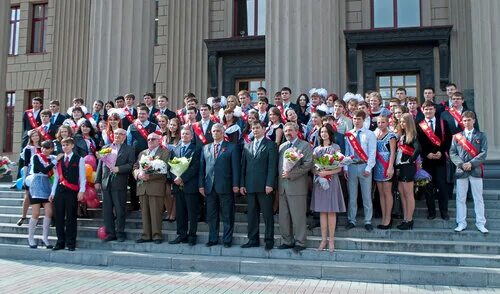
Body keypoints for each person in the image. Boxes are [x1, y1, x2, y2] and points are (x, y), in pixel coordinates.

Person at [199, 123, 240, 248]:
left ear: (223, 132)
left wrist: (235, 184)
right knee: (212, 215)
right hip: (210, 187)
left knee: (227, 214)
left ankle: (227, 240)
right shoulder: (205, 148)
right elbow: (202, 168)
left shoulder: (232, 147)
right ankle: (213, 238)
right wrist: (201, 185)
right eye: (214, 131)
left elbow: (235, 168)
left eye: (218, 131)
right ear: (211, 133)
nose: (216, 133)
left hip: (226, 186)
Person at [240, 122, 278, 251]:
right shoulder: (247, 146)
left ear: (264, 129)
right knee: (251, 214)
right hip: (250, 186)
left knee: (267, 214)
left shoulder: (271, 145)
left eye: (257, 128)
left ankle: (269, 240)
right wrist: (242, 184)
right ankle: (253, 239)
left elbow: (272, 167)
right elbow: (243, 167)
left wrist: (270, 184)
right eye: (253, 128)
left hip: (264, 186)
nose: (255, 130)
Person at [449, 111, 488, 233]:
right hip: (462, 171)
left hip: (475, 170)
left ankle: (481, 223)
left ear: (474, 120)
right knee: (461, 198)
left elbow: (483, 153)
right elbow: (452, 153)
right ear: (462, 121)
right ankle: (461, 223)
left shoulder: (481, 135)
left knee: (478, 198)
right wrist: (462, 164)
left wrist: (471, 163)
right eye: (464, 120)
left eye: (469, 120)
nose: (467, 122)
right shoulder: (456, 136)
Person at [277, 122, 313, 252]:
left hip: (297, 187)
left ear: (296, 131)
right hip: (282, 188)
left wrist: (291, 174)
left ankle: (300, 242)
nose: (287, 133)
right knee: (284, 217)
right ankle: (287, 241)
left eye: (290, 130)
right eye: (286, 131)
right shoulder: (282, 146)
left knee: (298, 217)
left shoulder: (305, 146)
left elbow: (308, 165)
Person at [95, 128, 135, 242]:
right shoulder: (105, 148)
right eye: (116, 133)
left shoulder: (129, 149)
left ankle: (120, 233)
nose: (117, 136)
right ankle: (110, 233)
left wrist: (119, 168)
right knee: (107, 211)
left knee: (120, 209)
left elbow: (131, 164)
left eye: (120, 134)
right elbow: (100, 166)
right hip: (105, 183)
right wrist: (97, 180)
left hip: (119, 183)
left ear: (125, 136)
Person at [311, 124, 345, 252]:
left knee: (331, 211)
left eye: (326, 132)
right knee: (322, 211)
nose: (323, 134)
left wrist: (327, 173)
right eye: (322, 132)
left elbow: (339, 167)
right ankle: (323, 239)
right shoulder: (316, 149)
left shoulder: (335, 148)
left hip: (331, 181)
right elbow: (313, 167)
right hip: (320, 182)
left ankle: (331, 240)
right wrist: (318, 172)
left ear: (330, 133)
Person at [417, 101, 452, 220]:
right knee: (428, 187)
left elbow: (448, 140)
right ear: (422, 110)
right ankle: (431, 211)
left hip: (440, 160)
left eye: (430, 109)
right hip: (426, 161)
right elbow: (418, 143)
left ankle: (444, 212)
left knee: (442, 187)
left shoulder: (443, 123)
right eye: (426, 109)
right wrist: (427, 154)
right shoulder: (419, 125)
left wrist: (441, 152)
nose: (428, 111)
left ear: (435, 110)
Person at [133, 133, 170, 244]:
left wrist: (149, 176)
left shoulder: (165, 152)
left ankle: (156, 235)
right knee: (144, 213)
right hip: (142, 186)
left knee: (155, 213)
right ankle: (146, 235)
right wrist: (138, 174)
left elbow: (165, 168)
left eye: (153, 139)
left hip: (156, 186)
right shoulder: (142, 153)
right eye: (148, 139)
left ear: (159, 141)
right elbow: (135, 167)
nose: (150, 141)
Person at [51, 137, 86, 251]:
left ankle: (71, 243)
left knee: (71, 217)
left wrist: (82, 191)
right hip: (60, 191)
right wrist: (52, 192)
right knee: (59, 218)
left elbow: (82, 177)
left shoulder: (79, 159)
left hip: (72, 191)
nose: (65, 147)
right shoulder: (59, 160)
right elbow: (56, 177)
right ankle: (60, 242)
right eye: (63, 145)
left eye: (67, 145)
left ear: (72, 146)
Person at [344, 110, 377, 231]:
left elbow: (372, 152)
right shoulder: (349, 134)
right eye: (354, 119)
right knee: (352, 196)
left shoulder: (369, 134)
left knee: (367, 196)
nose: (356, 121)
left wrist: (369, 168)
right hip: (352, 166)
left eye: (359, 119)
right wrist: (346, 167)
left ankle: (368, 220)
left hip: (364, 166)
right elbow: (347, 153)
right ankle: (351, 220)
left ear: (363, 120)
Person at [169, 128, 202, 246]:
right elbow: (171, 165)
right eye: (183, 133)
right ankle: (181, 235)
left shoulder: (197, 149)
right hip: (178, 186)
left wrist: (183, 178)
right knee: (180, 212)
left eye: (187, 134)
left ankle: (192, 235)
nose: (184, 135)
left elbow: (195, 167)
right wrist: (175, 178)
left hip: (190, 185)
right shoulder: (175, 149)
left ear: (192, 136)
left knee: (192, 212)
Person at [26, 141, 62, 248]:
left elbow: (55, 173)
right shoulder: (36, 157)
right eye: (43, 147)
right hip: (36, 185)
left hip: (46, 186)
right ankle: (30, 238)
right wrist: (55, 161)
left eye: (47, 148)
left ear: (51, 149)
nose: (44, 150)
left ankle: (45, 237)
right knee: (36, 213)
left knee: (49, 212)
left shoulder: (52, 158)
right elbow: (42, 170)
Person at [127, 106, 160, 210]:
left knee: (150, 179)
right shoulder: (132, 126)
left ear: (148, 115)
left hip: (150, 157)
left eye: (143, 114)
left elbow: (159, 141)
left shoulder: (154, 126)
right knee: (134, 180)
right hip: (135, 156)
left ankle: (149, 204)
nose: (141, 115)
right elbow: (128, 142)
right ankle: (134, 204)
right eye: (139, 114)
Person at [395, 114, 421, 230]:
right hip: (401, 166)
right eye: (400, 122)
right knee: (402, 192)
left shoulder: (413, 135)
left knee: (408, 193)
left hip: (408, 167)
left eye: (404, 122)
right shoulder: (402, 136)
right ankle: (405, 218)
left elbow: (418, 149)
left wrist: (410, 160)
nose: (402, 124)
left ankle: (409, 219)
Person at [373, 115, 397, 229]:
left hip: (386, 164)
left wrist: (390, 167)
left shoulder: (391, 136)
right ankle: (384, 217)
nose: (380, 124)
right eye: (379, 122)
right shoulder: (376, 135)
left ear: (387, 123)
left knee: (387, 193)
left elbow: (393, 153)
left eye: (383, 122)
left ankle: (388, 218)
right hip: (377, 165)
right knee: (381, 193)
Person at [17, 130, 42, 226]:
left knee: (39, 195)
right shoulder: (28, 149)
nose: (35, 137)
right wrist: (24, 178)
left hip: (42, 174)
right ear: (30, 138)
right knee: (27, 195)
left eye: (37, 135)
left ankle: (35, 215)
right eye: (33, 136)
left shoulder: (43, 147)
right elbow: (26, 164)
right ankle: (23, 216)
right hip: (31, 173)